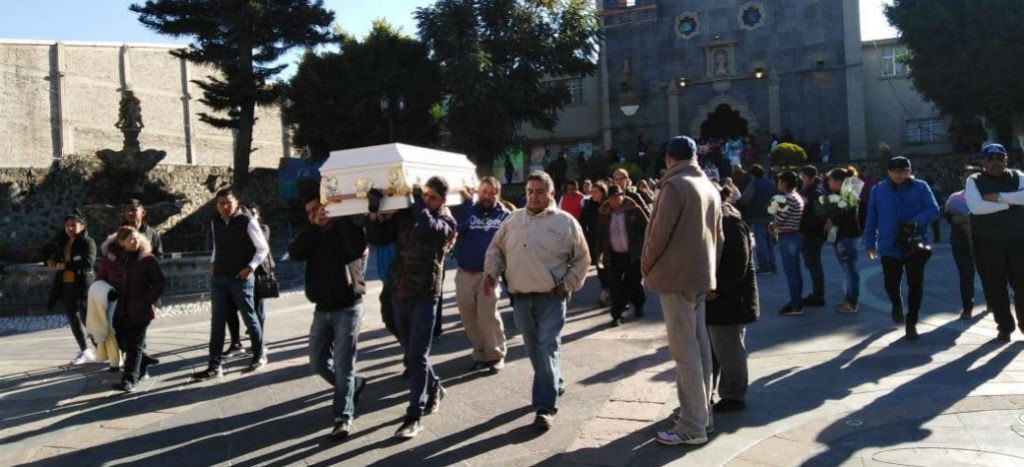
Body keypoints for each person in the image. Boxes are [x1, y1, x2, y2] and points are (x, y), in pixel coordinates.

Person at [483, 171, 590, 430]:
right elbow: (496, 249)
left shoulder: (566, 223)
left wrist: (566, 285)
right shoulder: (513, 220)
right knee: (534, 349)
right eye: (530, 191)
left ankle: (544, 407)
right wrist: (491, 273)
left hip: (551, 299)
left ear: (551, 193)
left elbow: (582, 259)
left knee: (546, 347)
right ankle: (555, 381)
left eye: (540, 191)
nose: (533, 196)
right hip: (520, 298)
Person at [642, 136, 723, 446]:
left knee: (684, 350)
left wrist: (646, 267)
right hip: (701, 276)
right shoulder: (709, 187)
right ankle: (703, 416)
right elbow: (719, 237)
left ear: (668, 159)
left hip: (676, 277)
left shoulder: (674, 186)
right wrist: (710, 274)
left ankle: (692, 425)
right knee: (700, 346)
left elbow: (657, 234)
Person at [366, 177, 457, 439]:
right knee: (412, 351)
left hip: (425, 295)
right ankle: (436, 386)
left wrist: (416, 200)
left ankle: (414, 415)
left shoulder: (446, 222)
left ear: (443, 201)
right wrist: (373, 212)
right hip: (399, 292)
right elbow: (379, 237)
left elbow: (428, 225)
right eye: (425, 196)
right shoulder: (407, 215)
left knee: (417, 355)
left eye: (433, 198)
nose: (428, 201)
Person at [289, 196, 369, 438]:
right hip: (322, 309)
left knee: (344, 365)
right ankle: (354, 385)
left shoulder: (347, 230)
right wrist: (314, 227)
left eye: (317, 208)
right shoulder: (313, 234)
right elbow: (295, 252)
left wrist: (339, 216)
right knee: (317, 362)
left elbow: (356, 247)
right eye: (309, 211)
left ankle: (343, 416)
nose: (313, 214)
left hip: (348, 307)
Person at [195, 188, 270, 379]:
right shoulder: (216, 222)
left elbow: (263, 249)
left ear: (237, 203)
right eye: (221, 203)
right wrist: (213, 262)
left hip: (241, 278)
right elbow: (217, 246)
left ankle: (259, 353)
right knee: (217, 321)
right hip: (219, 277)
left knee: (249, 317)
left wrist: (250, 268)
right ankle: (214, 365)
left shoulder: (247, 221)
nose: (224, 207)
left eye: (228, 202)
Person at [864, 157, 939, 340]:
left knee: (915, 283)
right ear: (889, 172)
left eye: (904, 171)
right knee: (891, 283)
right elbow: (871, 217)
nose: (900, 175)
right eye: (896, 171)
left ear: (910, 171)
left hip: (915, 243)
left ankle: (911, 322)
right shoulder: (878, 190)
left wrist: (916, 221)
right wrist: (869, 242)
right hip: (889, 245)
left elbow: (934, 210)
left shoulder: (920, 187)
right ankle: (896, 304)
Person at [965, 143, 1024, 342]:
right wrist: (1010, 204)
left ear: (1006, 160)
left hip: (1018, 240)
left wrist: (997, 198)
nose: (995, 162)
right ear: (983, 162)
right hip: (987, 243)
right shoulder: (974, 180)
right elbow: (976, 207)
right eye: (990, 159)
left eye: (1000, 158)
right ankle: (1005, 326)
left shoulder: (1017, 176)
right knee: (994, 287)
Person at [707, 184, 757, 413]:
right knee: (716, 349)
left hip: (730, 299)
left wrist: (718, 288)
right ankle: (712, 392)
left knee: (729, 350)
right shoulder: (717, 217)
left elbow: (739, 262)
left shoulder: (729, 220)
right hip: (717, 297)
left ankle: (734, 395)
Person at [453, 177, 512, 373]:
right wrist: (468, 204)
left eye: (492, 192)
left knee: (487, 315)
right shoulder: (467, 209)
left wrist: (499, 272)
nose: (487, 196)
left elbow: (508, 245)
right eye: (484, 191)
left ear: (498, 194)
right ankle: (480, 352)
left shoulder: (505, 216)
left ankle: (495, 354)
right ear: (478, 192)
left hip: (489, 274)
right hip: (465, 272)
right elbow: (458, 227)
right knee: (468, 316)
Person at [108, 226, 165, 393]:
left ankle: (129, 380)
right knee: (121, 342)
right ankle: (143, 359)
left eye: (136, 237)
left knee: (133, 345)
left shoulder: (148, 259)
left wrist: (147, 301)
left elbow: (159, 283)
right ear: (121, 242)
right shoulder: (115, 259)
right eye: (130, 238)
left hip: (140, 310)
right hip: (119, 309)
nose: (135, 241)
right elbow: (105, 278)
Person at [45, 212, 97, 365]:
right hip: (66, 284)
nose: (70, 228)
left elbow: (88, 262)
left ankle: (101, 347)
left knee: (89, 319)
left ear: (82, 226)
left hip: (83, 285)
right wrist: (49, 260)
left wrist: (66, 265)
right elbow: (46, 251)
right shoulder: (62, 241)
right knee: (73, 318)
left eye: (74, 225)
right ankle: (85, 351)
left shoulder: (88, 242)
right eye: (67, 225)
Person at [596, 184, 649, 326]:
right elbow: (600, 235)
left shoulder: (634, 210)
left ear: (623, 196)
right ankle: (617, 315)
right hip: (613, 255)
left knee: (635, 283)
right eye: (612, 197)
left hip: (633, 254)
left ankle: (638, 305)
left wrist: (646, 249)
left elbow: (647, 229)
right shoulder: (604, 214)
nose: (615, 200)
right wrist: (599, 254)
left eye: (618, 196)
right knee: (615, 287)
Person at [824, 167, 864, 313]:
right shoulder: (845, 193)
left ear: (839, 181)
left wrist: (832, 221)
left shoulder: (846, 195)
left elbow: (845, 216)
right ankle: (849, 300)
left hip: (846, 235)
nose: (828, 182)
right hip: (848, 234)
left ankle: (851, 302)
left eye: (830, 180)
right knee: (849, 270)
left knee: (850, 270)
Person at [945, 167, 981, 320]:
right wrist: (958, 219)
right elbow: (950, 217)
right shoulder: (955, 198)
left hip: (985, 242)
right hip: (962, 242)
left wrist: (967, 219)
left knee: (990, 274)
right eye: (965, 176)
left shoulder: (987, 197)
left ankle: (993, 302)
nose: (968, 180)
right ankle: (968, 307)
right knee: (966, 275)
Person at [771, 171, 806, 316]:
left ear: (784, 183)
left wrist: (773, 224)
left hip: (787, 236)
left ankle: (796, 304)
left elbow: (781, 218)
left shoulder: (787, 199)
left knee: (791, 272)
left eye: (779, 181)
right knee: (796, 271)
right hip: (795, 235)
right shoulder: (797, 197)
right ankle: (797, 300)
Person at [798, 166, 828, 308]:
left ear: (808, 177)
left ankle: (818, 296)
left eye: (803, 177)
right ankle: (817, 294)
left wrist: (804, 227)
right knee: (812, 264)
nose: (801, 180)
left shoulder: (815, 193)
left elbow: (815, 216)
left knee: (814, 264)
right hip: (811, 232)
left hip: (813, 233)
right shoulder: (812, 190)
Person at [739, 164, 776, 274]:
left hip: (758, 216)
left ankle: (765, 266)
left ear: (752, 175)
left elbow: (745, 199)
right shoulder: (771, 183)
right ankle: (773, 265)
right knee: (770, 242)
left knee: (761, 243)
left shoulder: (754, 184)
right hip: (771, 216)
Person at [581, 182, 610, 306]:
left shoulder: (609, 204)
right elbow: (582, 221)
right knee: (601, 267)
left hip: (610, 241)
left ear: (603, 192)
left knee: (612, 267)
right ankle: (605, 289)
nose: (593, 194)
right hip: (596, 241)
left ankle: (613, 291)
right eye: (592, 192)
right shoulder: (589, 206)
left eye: (596, 191)